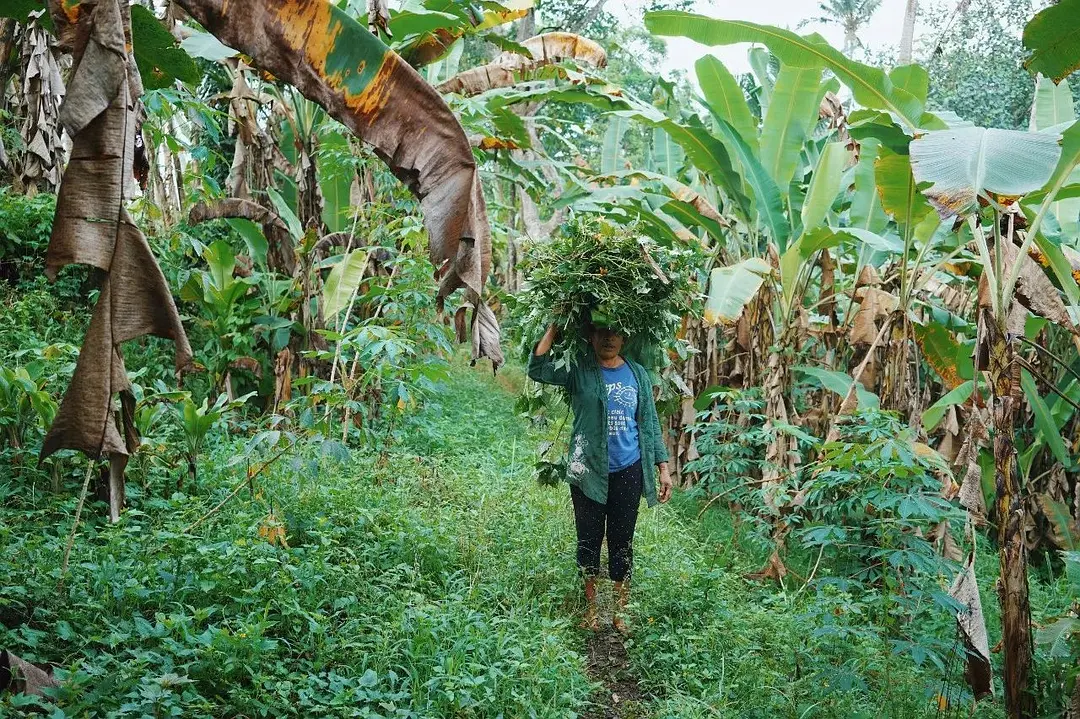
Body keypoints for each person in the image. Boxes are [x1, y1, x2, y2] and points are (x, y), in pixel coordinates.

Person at [527, 321, 672, 633]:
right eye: (602, 332)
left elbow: (649, 423)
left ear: (625, 337)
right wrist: (554, 326)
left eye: (616, 332)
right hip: (587, 469)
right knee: (588, 541)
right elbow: (538, 368)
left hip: (629, 469)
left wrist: (663, 467)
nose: (609, 339)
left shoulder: (638, 375)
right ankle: (590, 609)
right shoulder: (578, 369)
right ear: (590, 336)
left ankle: (622, 611)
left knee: (622, 541)